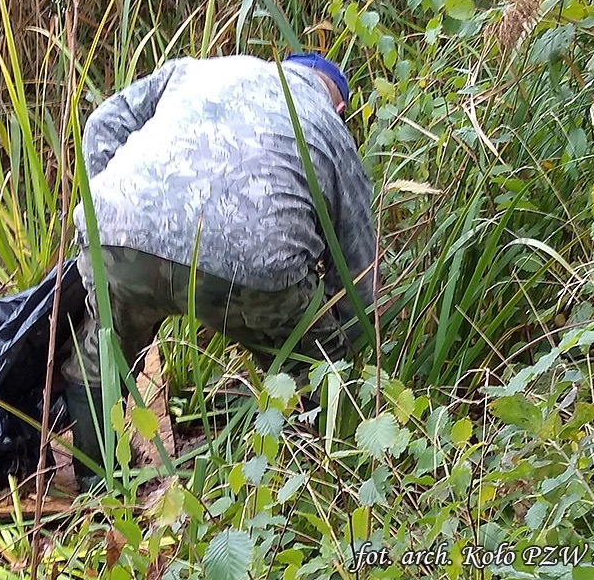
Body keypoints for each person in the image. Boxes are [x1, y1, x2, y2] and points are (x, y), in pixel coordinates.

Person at [64, 52, 377, 488]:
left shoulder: (200, 69)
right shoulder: (329, 128)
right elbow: (358, 271)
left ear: (282, 67)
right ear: (340, 107)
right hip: (254, 268)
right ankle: (316, 481)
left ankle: (98, 488)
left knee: (103, 352)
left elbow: (102, 123)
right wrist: (351, 348)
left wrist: (107, 212)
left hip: (118, 237)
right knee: (317, 362)